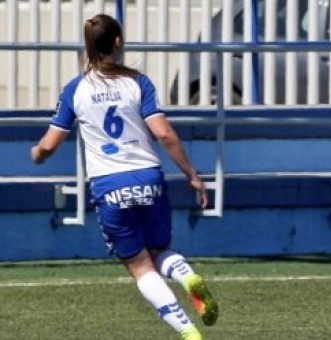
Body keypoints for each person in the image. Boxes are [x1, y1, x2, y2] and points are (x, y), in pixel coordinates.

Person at [30, 14, 218, 340]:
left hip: (110, 185)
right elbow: (166, 135)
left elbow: (49, 144)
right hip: (149, 177)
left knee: (140, 266)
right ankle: (186, 275)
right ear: (118, 42)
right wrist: (191, 173)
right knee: (161, 250)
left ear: (87, 46)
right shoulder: (138, 82)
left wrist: (38, 154)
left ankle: (188, 331)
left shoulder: (75, 90)